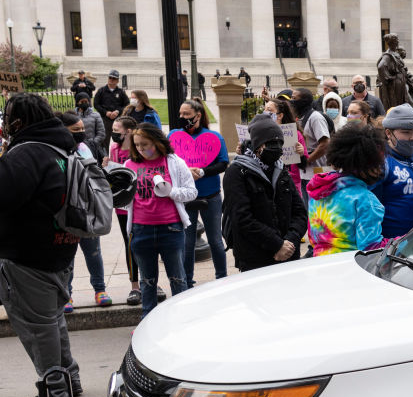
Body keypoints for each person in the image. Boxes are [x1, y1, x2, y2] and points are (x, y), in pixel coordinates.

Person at [0, 94, 84, 397]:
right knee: (51, 319)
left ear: (19, 122)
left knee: (37, 325)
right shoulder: (60, 146)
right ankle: (68, 378)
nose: (6, 124)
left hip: (28, 253)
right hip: (60, 245)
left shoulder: (26, 153)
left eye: (8, 118)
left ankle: (55, 389)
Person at [123, 123, 197, 317]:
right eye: (137, 145)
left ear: (157, 142)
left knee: (178, 278)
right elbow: (124, 200)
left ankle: (181, 319)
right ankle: (147, 321)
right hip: (140, 229)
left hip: (171, 229)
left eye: (145, 144)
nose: (141, 149)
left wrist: (170, 191)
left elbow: (192, 192)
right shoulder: (129, 165)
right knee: (147, 281)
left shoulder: (173, 162)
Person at [222, 116, 306, 271]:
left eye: (279, 143)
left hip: (288, 254)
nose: (276, 148)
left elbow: (300, 212)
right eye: (270, 143)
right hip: (255, 259)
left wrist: (289, 243)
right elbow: (242, 218)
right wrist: (276, 245)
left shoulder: (282, 171)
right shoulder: (236, 172)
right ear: (257, 146)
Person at [168, 99, 229, 288]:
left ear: (198, 115)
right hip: (186, 197)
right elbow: (167, 160)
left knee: (215, 240)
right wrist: (186, 171)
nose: (182, 118)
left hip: (210, 195)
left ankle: (222, 278)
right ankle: (187, 281)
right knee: (186, 242)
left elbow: (223, 163)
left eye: (186, 114)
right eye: (180, 114)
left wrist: (202, 171)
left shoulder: (214, 137)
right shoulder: (173, 136)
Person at [307, 124, 389, 256]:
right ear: (368, 165)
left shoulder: (318, 190)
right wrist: (403, 241)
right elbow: (370, 247)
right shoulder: (365, 200)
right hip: (348, 269)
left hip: (318, 264)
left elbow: (312, 237)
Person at [58, 112, 110, 311]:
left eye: (82, 129)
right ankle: (66, 294)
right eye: (75, 130)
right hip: (67, 211)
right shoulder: (58, 151)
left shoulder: (84, 148)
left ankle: (100, 289)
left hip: (87, 209)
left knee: (93, 252)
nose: (81, 133)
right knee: (67, 256)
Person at [371, 104, 413, 238]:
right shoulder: (380, 163)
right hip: (388, 247)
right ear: (388, 133)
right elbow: (368, 210)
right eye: (406, 132)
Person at [104, 115, 142, 305]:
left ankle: (151, 281)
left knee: (144, 245)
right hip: (122, 207)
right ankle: (134, 285)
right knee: (130, 245)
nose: (114, 134)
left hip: (140, 205)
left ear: (128, 132)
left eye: (117, 131)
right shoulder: (114, 149)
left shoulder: (140, 149)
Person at [292, 88, 332, 209]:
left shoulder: (315, 118)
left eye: (294, 98)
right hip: (304, 173)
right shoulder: (300, 118)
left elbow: (325, 144)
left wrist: (307, 160)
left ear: (304, 101)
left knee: (318, 210)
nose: (292, 101)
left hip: (317, 173)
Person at [262, 96, 308, 195]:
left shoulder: (296, 135)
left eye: (269, 110)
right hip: (268, 186)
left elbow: (303, 165)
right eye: (264, 110)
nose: (265, 113)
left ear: (280, 116)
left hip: (291, 187)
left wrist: (301, 154)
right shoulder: (261, 134)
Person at [92, 69, 129, 147]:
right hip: (105, 119)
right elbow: (96, 104)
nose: (112, 80)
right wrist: (106, 112)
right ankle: (105, 158)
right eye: (110, 77)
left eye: (114, 78)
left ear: (118, 81)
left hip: (118, 119)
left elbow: (127, 104)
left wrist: (118, 111)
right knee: (104, 141)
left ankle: (120, 157)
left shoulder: (121, 92)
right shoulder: (101, 91)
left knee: (120, 139)